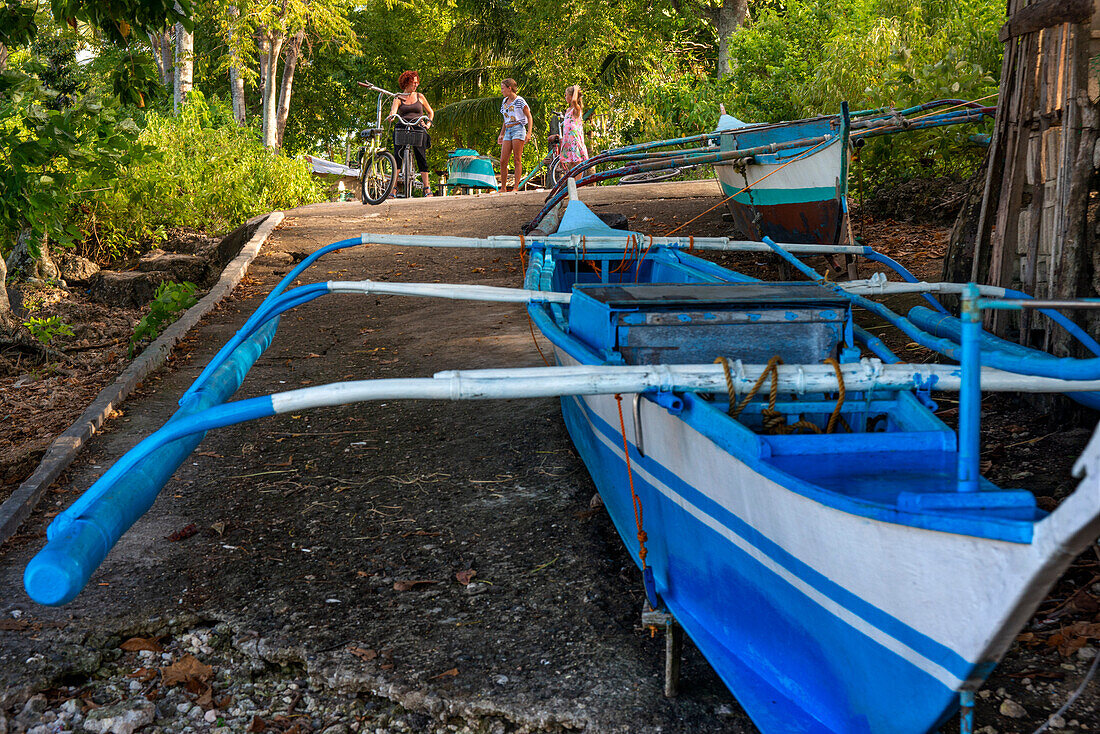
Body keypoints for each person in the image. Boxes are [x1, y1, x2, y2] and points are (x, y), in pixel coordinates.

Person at [388, 70, 435, 196]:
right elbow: (393, 111)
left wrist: (428, 124)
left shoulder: (420, 96)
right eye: (414, 82)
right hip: (402, 126)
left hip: (418, 127)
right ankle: (394, 187)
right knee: (397, 156)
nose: (416, 85)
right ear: (406, 83)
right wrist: (392, 116)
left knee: (421, 156)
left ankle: (426, 187)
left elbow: (430, 112)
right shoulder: (398, 97)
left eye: (417, 82)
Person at [496, 78, 532, 192]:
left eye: (503, 88)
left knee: (517, 159)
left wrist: (529, 132)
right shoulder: (504, 101)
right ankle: (503, 187)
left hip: (518, 129)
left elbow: (529, 116)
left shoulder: (520, 100)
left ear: (509, 88)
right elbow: (505, 119)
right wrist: (501, 134)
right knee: (503, 160)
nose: (501, 91)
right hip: (508, 130)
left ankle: (516, 187)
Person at [560, 84, 588, 168]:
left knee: (577, 161)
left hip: (574, 138)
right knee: (571, 162)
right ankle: (573, 180)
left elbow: (574, 101)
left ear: (572, 96)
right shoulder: (568, 110)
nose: (565, 97)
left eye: (566, 95)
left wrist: (575, 90)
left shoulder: (577, 109)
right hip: (568, 139)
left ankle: (578, 181)